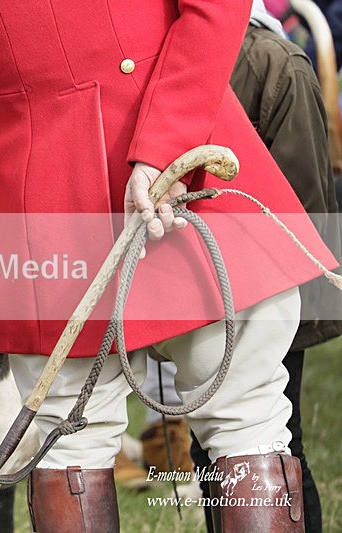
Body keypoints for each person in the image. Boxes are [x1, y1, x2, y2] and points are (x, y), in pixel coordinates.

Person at [0, 1, 338, 531]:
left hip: (43, 201)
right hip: (189, 163)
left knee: (70, 444)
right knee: (248, 424)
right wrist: (167, 139)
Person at [188, 4, 342, 531]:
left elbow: (303, 215)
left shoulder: (276, 64)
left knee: (276, 451)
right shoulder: (175, 59)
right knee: (211, 454)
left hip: (272, 299)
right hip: (205, 293)